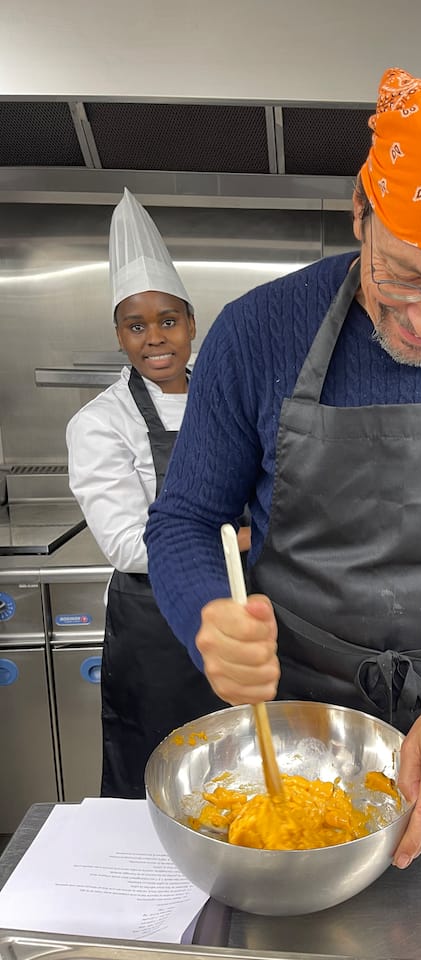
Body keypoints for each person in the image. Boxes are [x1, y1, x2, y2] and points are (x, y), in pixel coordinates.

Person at [145, 67, 421, 867]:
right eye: (403, 275)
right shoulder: (257, 331)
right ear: (359, 211)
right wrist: (207, 615)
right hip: (293, 732)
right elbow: (184, 522)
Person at [66, 188, 233, 799]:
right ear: (120, 335)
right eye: (136, 326)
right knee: (158, 781)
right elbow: (127, 544)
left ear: (191, 324)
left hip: (240, 616)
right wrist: (245, 540)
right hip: (156, 630)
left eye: (168, 321)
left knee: (240, 767)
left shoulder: (227, 397)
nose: (155, 338)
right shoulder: (100, 422)